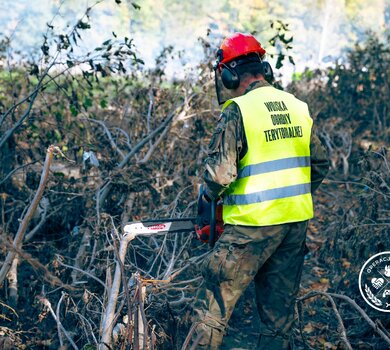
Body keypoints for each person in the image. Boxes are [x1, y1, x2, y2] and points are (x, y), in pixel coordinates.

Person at [191, 33, 329, 350]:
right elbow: (320, 163)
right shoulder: (297, 106)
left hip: (251, 227)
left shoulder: (238, 110)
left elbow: (220, 175)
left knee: (212, 309)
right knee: (278, 321)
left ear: (228, 74)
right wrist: (289, 197)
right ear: (263, 69)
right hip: (294, 225)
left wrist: (207, 201)